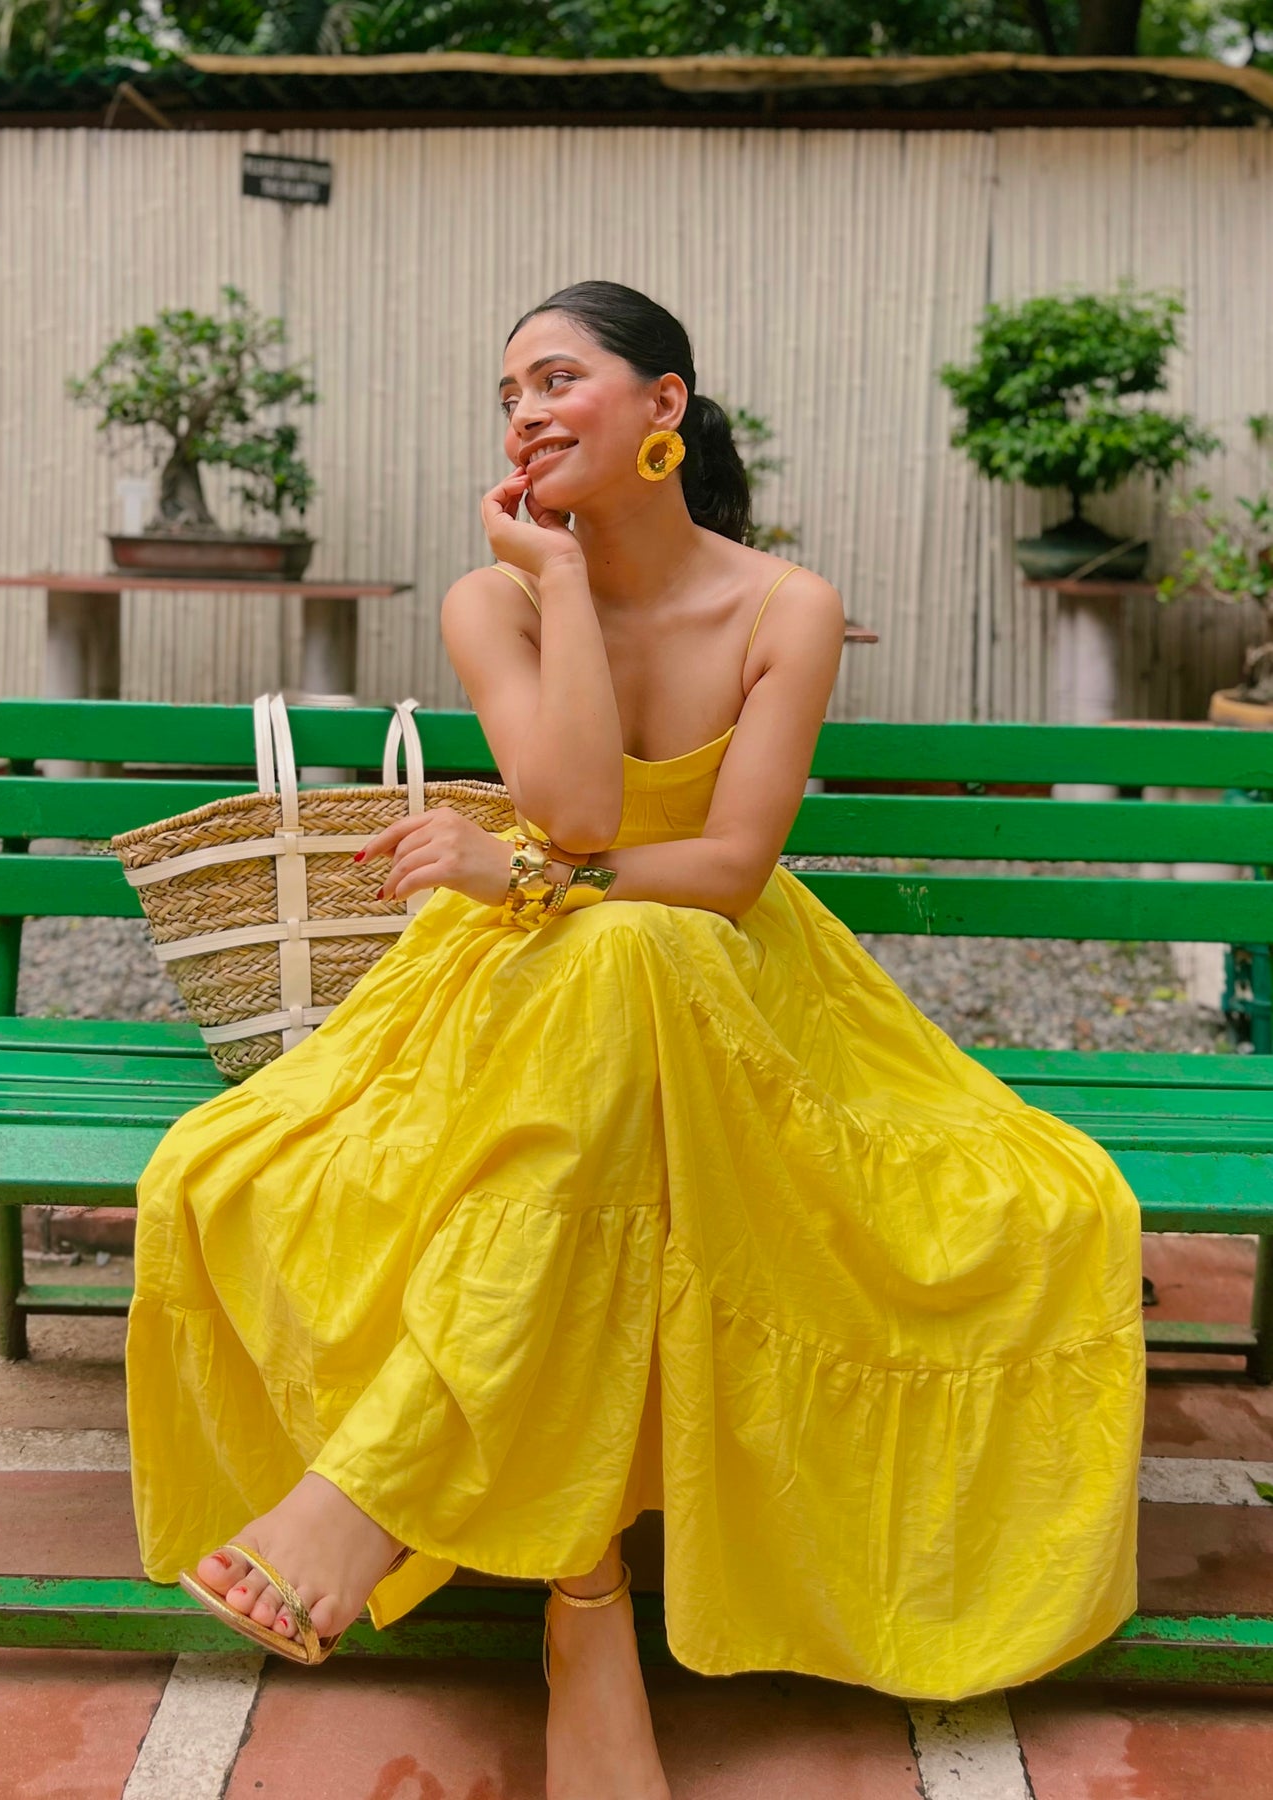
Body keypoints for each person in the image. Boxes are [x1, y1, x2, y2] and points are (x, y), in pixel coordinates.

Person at [126, 279, 1145, 1798]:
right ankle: (582, 1602)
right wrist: (552, 582)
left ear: (664, 404)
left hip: (730, 978)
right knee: (597, 981)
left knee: (644, 946)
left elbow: (722, 870)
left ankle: (407, 1509)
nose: (525, 414)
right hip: (523, 980)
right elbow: (582, 808)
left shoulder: (785, 607)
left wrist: (536, 878)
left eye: (557, 379)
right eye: (508, 395)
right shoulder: (491, 600)